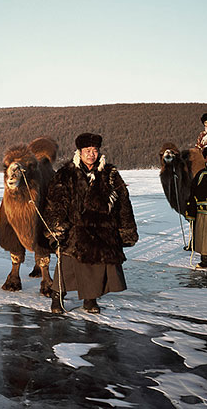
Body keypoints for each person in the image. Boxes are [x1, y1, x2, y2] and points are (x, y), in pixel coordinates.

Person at [44, 133, 138, 314]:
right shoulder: (66, 174)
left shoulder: (110, 174)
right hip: (74, 230)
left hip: (103, 231)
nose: (91, 154)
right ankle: (57, 297)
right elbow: (56, 201)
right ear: (79, 152)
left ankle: (90, 299)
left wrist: (126, 229)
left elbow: (123, 203)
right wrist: (56, 227)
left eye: (95, 150)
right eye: (87, 151)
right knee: (66, 267)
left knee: (96, 268)